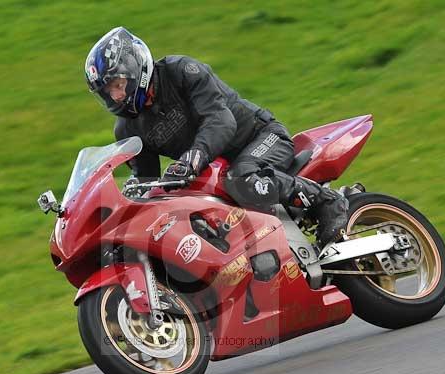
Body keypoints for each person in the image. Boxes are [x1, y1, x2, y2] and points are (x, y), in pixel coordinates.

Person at [84, 27, 348, 245]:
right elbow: (147, 181)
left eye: (118, 84)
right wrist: (124, 208)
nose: (116, 96)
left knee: (241, 177)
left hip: (261, 137)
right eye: (108, 92)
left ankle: (328, 202)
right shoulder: (127, 128)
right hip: (212, 167)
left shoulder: (182, 71)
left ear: (135, 69)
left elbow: (221, 121)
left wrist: (192, 159)